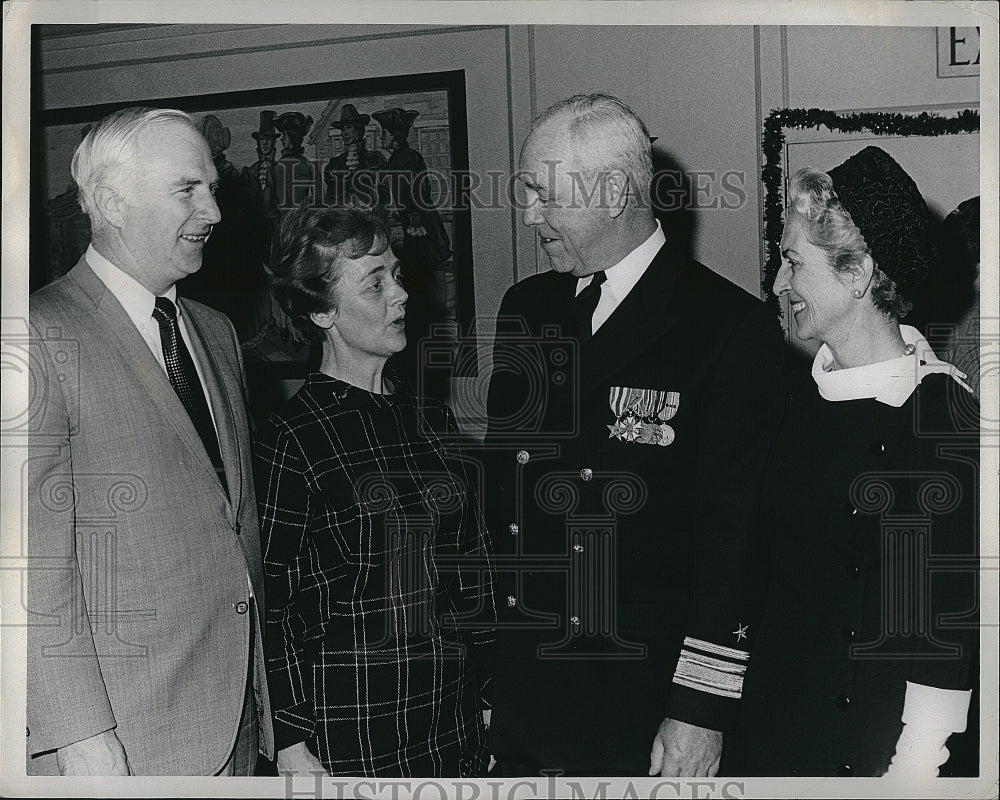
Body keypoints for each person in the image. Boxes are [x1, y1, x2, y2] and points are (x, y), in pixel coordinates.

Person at [484, 94, 784, 777]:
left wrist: (700, 711)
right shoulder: (526, 310)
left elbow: (737, 545)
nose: (529, 215)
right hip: (530, 698)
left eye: (543, 194)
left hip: (642, 709)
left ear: (616, 192)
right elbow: (508, 507)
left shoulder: (729, 330)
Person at [26, 106, 274, 775]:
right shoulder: (36, 335)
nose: (214, 212)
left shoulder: (217, 333)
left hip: (235, 728)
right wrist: (79, 735)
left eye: (213, 189)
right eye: (187, 189)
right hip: (121, 743)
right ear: (109, 201)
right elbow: (25, 562)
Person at [723, 147, 979, 778]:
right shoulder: (790, 401)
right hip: (769, 736)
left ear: (859, 271)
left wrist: (912, 773)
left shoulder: (940, 415)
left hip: (870, 757)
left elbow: (944, 634)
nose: (778, 285)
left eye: (791, 261)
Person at [256, 203, 495, 777]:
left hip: (453, 727)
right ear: (321, 311)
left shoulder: (434, 420)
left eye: (398, 276)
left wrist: (489, 694)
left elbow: (474, 568)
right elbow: (272, 606)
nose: (401, 294)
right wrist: (290, 742)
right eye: (375, 283)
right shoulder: (289, 442)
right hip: (351, 737)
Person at [323, 104, 387, 208]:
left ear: (358, 130)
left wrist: (378, 216)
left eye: (348, 127)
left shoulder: (375, 160)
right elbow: (330, 199)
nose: (344, 133)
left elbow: (384, 196)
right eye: (343, 129)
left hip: (368, 219)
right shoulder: (334, 164)